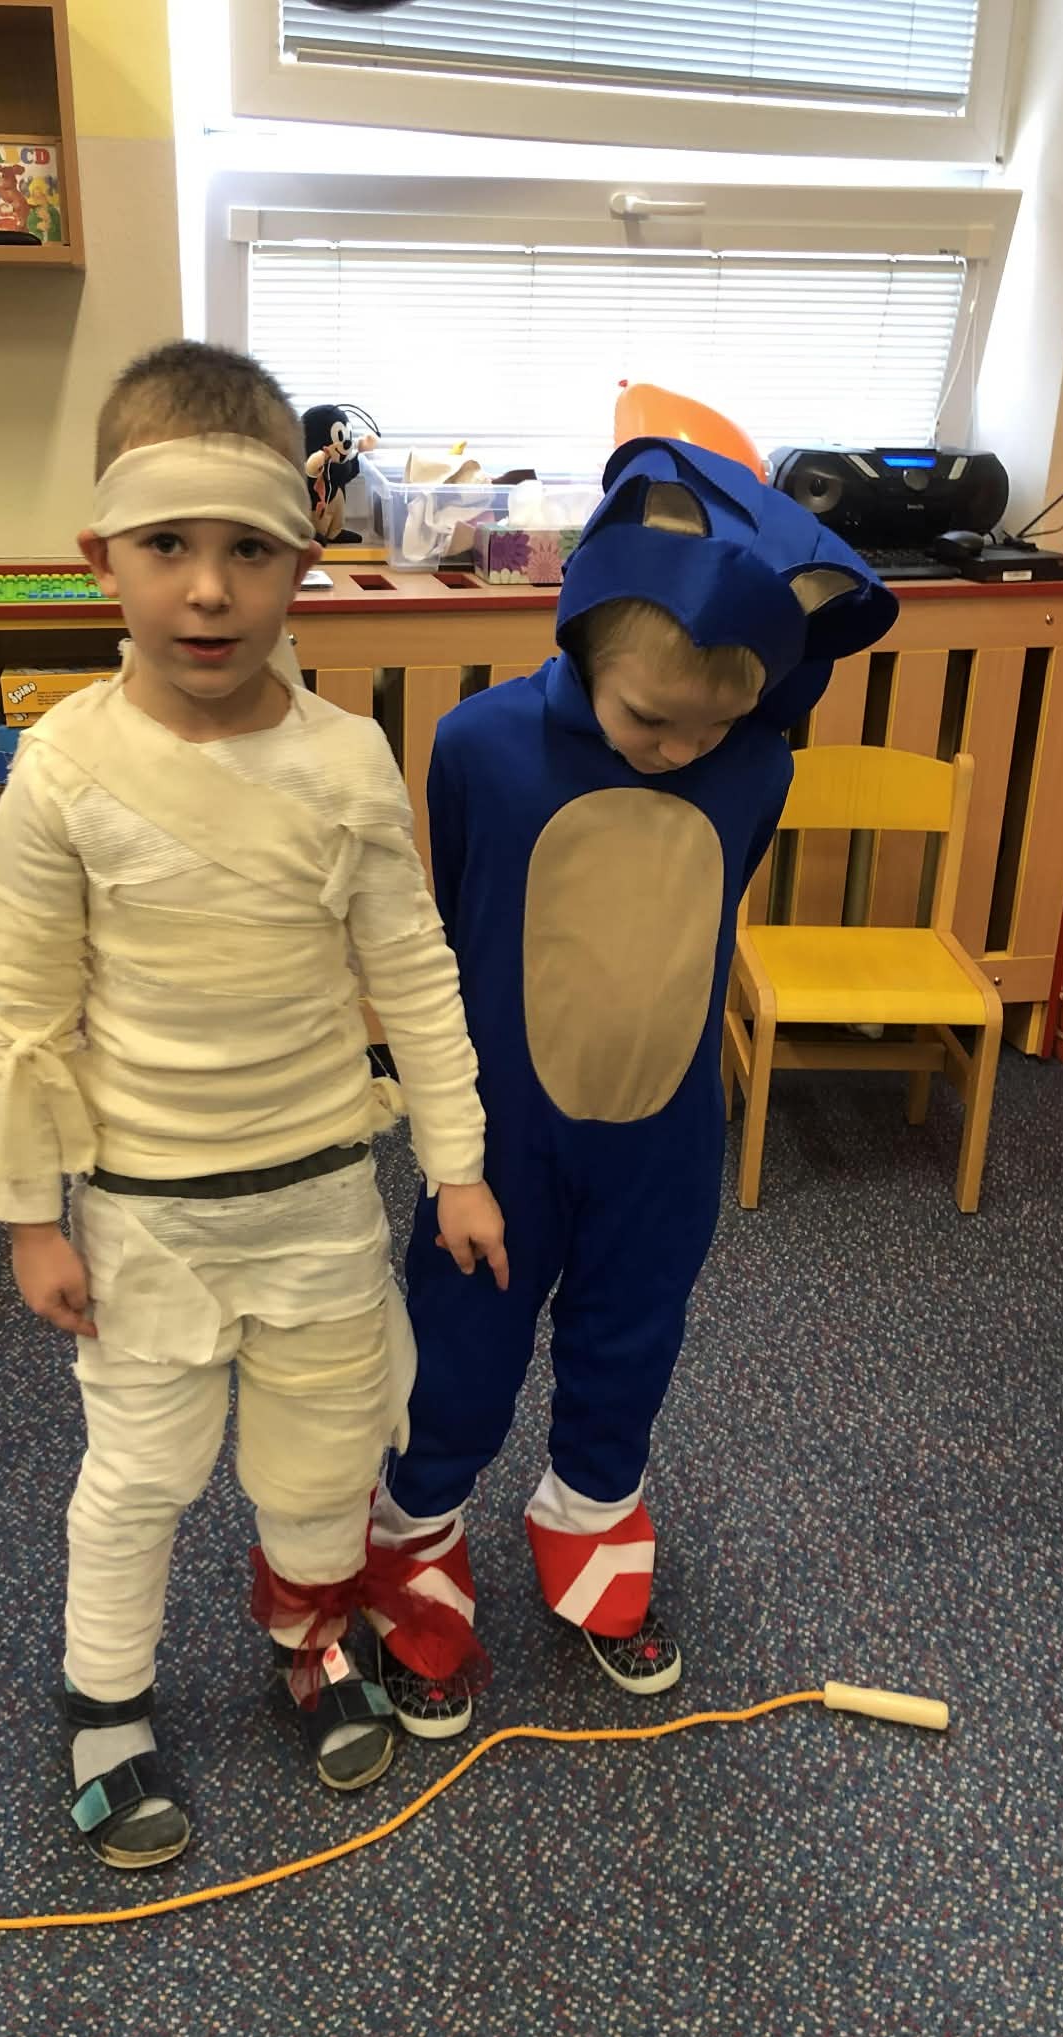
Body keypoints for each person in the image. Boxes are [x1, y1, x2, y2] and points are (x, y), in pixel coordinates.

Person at [0, 340, 506, 1867]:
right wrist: (29, 1217)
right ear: (104, 559)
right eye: (167, 546)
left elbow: (415, 975)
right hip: (147, 1219)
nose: (208, 592)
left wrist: (457, 1166)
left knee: (321, 1459)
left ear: (301, 561)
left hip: (322, 1201)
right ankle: (105, 1699)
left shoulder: (346, 762)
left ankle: (310, 1638)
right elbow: (26, 1016)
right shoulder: (62, 770)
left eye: (249, 551)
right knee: (141, 1474)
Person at [364, 436, 898, 1735]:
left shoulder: (755, 763)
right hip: (504, 1131)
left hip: (663, 1131)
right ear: (585, 642)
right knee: (461, 1342)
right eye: (649, 719)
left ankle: (591, 1511)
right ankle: (416, 1528)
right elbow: (462, 905)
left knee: (632, 1339)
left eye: (710, 724)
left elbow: (709, 900)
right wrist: (455, 1141)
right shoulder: (482, 746)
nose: (677, 748)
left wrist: (714, 738)